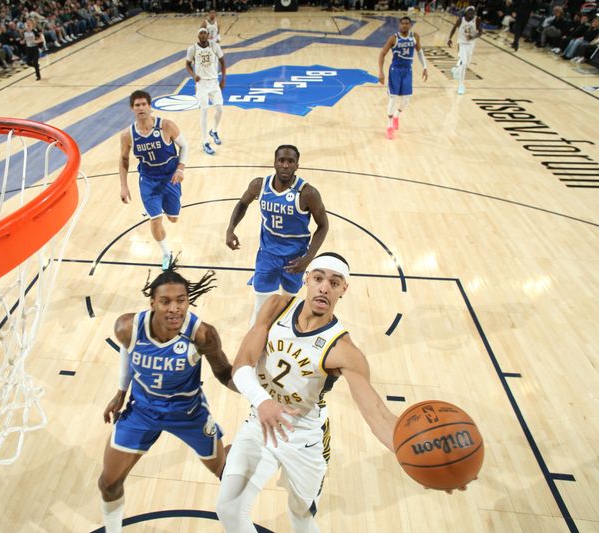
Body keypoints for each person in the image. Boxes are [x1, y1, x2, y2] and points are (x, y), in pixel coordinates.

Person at [216, 253, 470, 532]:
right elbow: (241, 366)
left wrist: (425, 458)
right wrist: (263, 402)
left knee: (301, 517)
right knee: (229, 509)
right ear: (307, 280)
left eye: (334, 283)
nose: (325, 287)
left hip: (304, 437)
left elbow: (376, 413)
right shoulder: (276, 307)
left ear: (343, 290)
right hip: (261, 423)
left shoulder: (344, 351)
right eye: (318, 278)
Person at [97, 262, 235, 533]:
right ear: (152, 303)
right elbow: (128, 349)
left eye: (181, 301)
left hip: (188, 413)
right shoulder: (127, 327)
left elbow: (224, 373)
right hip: (142, 411)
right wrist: (120, 393)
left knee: (225, 473)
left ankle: (236, 450)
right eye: (166, 301)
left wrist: (262, 394)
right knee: (108, 483)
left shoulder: (202, 334)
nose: (174, 308)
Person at [225, 145, 329, 326]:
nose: (286, 165)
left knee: (287, 307)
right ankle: (257, 349)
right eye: (281, 160)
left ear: (297, 165)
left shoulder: (307, 193)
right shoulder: (259, 185)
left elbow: (323, 226)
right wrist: (230, 228)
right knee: (260, 308)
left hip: (294, 260)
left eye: (291, 161)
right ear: (274, 163)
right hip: (267, 255)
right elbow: (242, 203)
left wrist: (308, 258)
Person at [119, 90, 188, 270]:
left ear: (150, 106)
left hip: (170, 178)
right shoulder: (128, 135)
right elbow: (124, 160)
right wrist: (124, 186)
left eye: (143, 104)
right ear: (132, 109)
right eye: (137, 105)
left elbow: (185, 146)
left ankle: (162, 206)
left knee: (173, 219)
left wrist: (180, 168)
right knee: (156, 220)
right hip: (148, 180)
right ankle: (166, 254)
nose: (141, 108)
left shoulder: (166, 126)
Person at [377, 16, 428, 140]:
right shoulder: (393, 38)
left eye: (407, 23)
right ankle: (389, 127)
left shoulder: (415, 36)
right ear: (399, 25)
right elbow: (382, 53)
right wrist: (381, 72)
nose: (405, 25)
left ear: (410, 25)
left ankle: (397, 116)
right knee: (393, 99)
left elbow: (420, 52)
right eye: (403, 23)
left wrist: (425, 67)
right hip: (395, 70)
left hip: (407, 71)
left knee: (406, 100)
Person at [185, 27, 226, 156]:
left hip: (214, 82)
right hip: (201, 83)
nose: (203, 35)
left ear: (208, 35)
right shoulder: (193, 49)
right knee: (204, 111)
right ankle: (205, 142)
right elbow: (187, 64)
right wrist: (193, 75)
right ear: (198, 36)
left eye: (204, 33)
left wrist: (223, 78)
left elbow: (223, 62)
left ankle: (213, 131)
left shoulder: (215, 46)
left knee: (219, 109)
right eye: (200, 33)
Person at [448, 6, 482, 95]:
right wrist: (449, 39)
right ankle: (461, 85)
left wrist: (473, 37)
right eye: (469, 11)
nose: (471, 13)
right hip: (462, 43)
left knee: (467, 63)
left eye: (473, 11)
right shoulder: (460, 20)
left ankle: (455, 70)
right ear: (466, 12)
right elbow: (454, 28)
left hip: (471, 43)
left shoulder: (476, 20)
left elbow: (481, 32)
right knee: (463, 63)